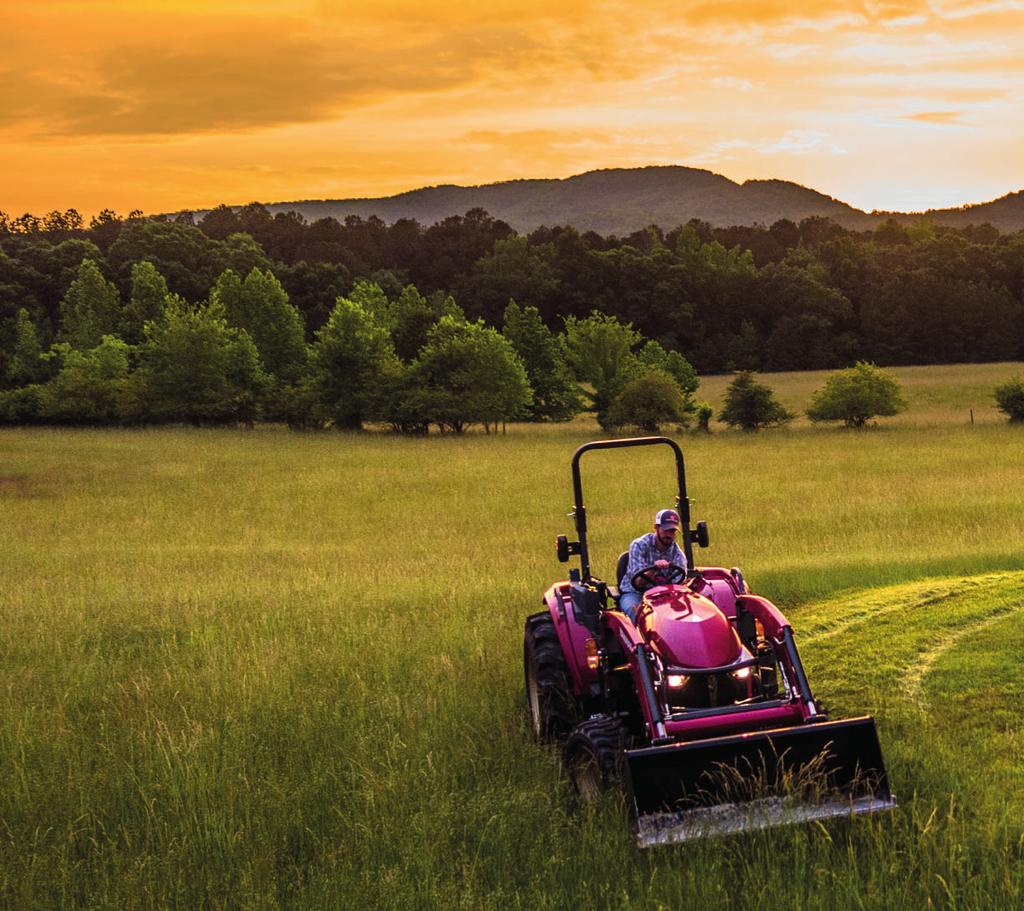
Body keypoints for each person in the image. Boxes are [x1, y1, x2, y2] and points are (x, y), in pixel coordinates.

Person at [618, 508, 688, 622]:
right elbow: (638, 582)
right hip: (636, 593)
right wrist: (654, 569)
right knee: (634, 611)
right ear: (656, 527)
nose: (669, 535)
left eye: (672, 531)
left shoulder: (678, 554)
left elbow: (680, 584)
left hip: (664, 595)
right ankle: (639, 639)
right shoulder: (639, 546)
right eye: (666, 530)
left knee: (681, 612)